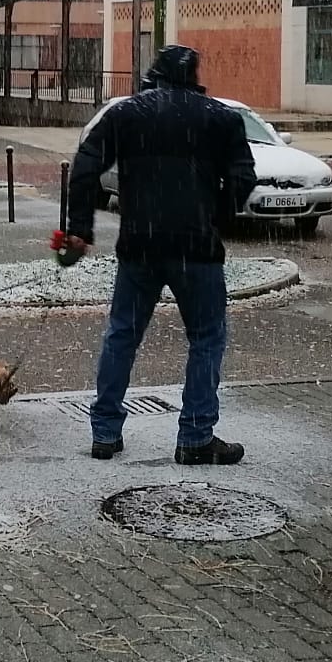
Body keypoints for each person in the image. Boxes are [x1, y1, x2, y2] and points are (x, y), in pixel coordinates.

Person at [56, 44, 257, 464]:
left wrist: (79, 231)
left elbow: (85, 166)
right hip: (197, 251)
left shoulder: (126, 115)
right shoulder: (221, 118)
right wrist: (212, 216)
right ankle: (195, 438)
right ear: (193, 77)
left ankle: (105, 433)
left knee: (122, 336)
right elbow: (243, 177)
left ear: (154, 75)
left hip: (139, 246)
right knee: (206, 339)